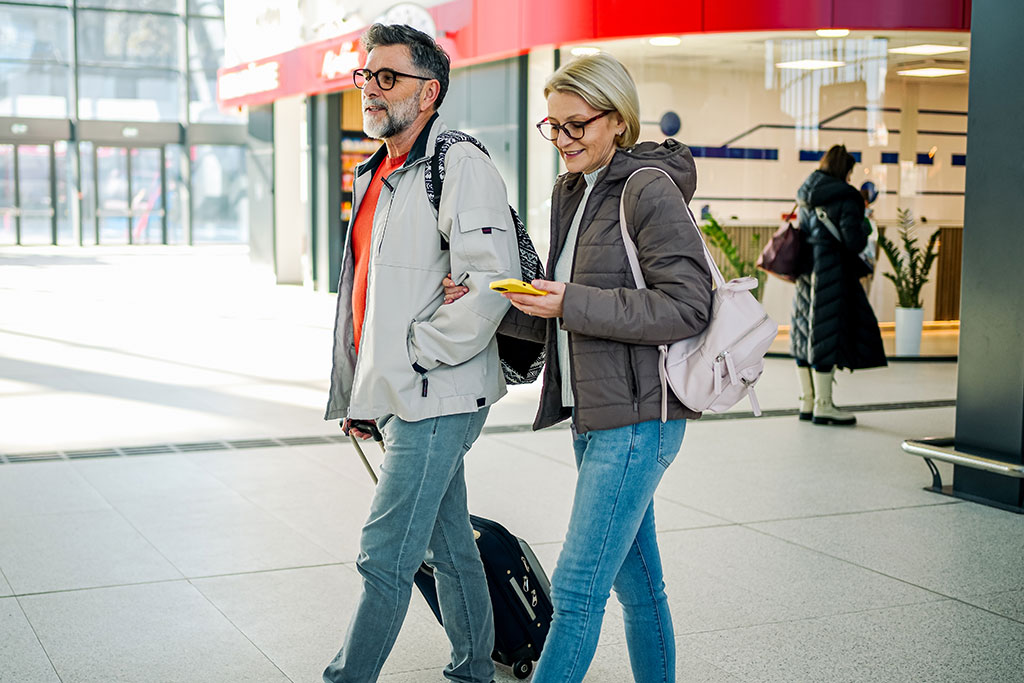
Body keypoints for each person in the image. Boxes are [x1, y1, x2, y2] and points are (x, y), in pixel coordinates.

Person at [446, 52, 712, 683]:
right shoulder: (574, 190)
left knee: (577, 588)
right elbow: (564, 304)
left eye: (577, 125)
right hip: (594, 413)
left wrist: (571, 300)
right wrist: (494, 296)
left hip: (639, 417)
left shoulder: (648, 188)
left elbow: (687, 305)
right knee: (639, 586)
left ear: (618, 120)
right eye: (553, 126)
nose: (562, 139)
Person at [322, 23, 521, 683]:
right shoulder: (379, 169)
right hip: (404, 389)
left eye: (389, 78)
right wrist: (367, 386)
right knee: (448, 540)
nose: (371, 90)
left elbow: (490, 283)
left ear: (429, 91)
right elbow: (373, 293)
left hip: (438, 390)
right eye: (366, 76)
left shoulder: (457, 162)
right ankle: (474, 667)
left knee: (384, 554)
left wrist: (410, 356)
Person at [791, 145, 886, 426]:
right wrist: (865, 224)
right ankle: (824, 405)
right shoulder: (847, 196)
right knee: (825, 333)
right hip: (831, 270)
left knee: (804, 331)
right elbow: (854, 241)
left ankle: (807, 402)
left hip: (806, 270)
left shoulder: (805, 191)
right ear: (845, 170)